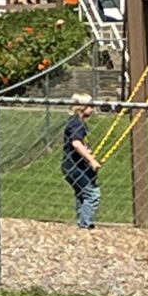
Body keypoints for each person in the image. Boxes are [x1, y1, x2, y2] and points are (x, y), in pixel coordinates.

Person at [61, 95, 102, 229]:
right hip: (76, 167)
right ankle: (85, 223)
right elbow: (76, 143)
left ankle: (82, 221)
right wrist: (92, 161)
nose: (92, 109)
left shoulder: (75, 122)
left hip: (71, 166)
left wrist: (87, 151)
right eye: (90, 106)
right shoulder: (77, 123)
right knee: (93, 194)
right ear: (81, 107)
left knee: (82, 194)